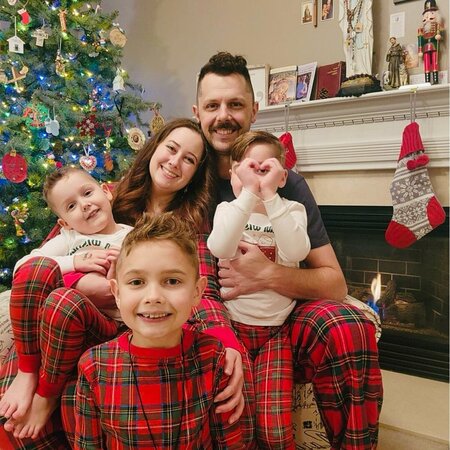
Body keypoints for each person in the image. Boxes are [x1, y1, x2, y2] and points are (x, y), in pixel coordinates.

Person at [193, 51, 382, 449]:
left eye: (236, 104)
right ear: (198, 112)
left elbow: (334, 283)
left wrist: (269, 274)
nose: (223, 115)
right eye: (213, 105)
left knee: (347, 325)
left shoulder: (287, 186)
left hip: (279, 323)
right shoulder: (189, 175)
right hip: (209, 314)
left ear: (255, 111)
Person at [74, 213, 244, 449]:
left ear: (197, 291)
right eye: (136, 282)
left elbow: (230, 442)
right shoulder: (94, 366)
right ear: (117, 293)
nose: (153, 297)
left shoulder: (214, 357)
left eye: (172, 281)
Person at [0, 167, 131, 441]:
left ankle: (46, 395)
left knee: (64, 299)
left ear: (106, 192)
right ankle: (27, 372)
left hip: (104, 327)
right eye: (71, 206)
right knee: (38, 271)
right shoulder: (69, 240)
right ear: (65, 223)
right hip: (54, 332)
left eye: (87, 193)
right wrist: (75, 262)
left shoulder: (129, 236)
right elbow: (23, 267)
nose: (84, 205)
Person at [208, 130, 311, 448]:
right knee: (240, 422)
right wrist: (249, 196)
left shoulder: (292, 211)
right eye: (249, 169)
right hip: (234, 330)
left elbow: (296, 253)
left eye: (265, 170)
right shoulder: (227, 211)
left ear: (282, 177)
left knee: (274, 427)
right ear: (233, 172)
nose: (257, 177)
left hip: (275, 335)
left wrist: (270, 199)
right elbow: (219, 245)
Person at [338, 0, 374, 77]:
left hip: (361, 14)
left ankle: (364, 70)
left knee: (362, 38)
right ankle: (351, 72)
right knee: (349, 41)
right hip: (350, 12)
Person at [418, 0, 443, 85]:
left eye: (431, 17)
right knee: (427, 64)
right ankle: (427, 80)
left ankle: (435, 80)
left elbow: (441, 32)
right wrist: (420, 50)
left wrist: (439, 35)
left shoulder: (437, 26)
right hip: (425, 48)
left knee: (435, 63)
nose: (427, 19)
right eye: (425, 17)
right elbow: (420, 39)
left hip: (434, 46)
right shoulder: (421, 30)